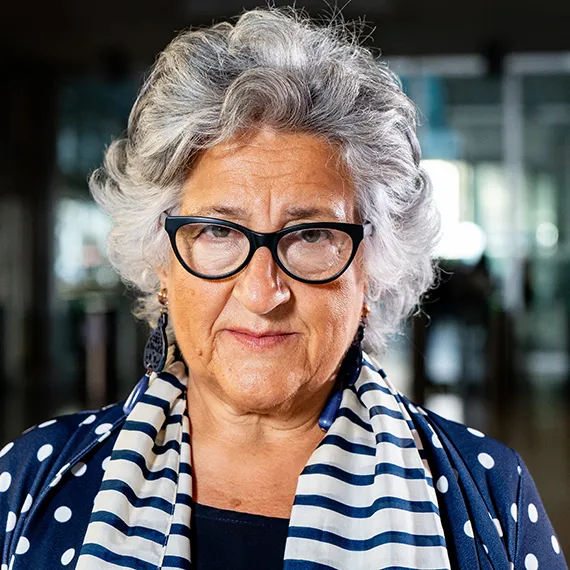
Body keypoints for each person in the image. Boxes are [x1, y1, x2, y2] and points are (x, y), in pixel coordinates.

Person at [0, 7, 566, 570]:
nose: (262, 292)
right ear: (163, 266)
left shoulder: (491, 497)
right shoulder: (31, 481)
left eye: (311, 235)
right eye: (219, 231)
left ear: (371, 271)